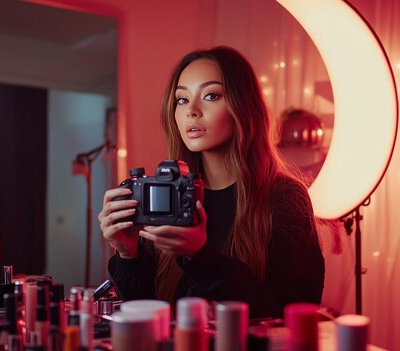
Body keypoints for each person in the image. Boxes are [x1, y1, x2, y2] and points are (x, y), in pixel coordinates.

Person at [98, 46, 324, 318]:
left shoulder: (284, 197)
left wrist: (200, 255)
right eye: (181, 100)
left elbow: (295, 315)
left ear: (243, 105)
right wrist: (128, 253)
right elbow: (150, 317)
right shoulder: (166, 193)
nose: (192, 111)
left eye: (211, 95)